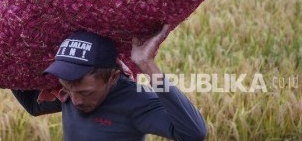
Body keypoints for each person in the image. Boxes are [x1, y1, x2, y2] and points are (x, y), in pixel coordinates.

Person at [12, 25, 207, 140]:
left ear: (113, 77)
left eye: (86, 92)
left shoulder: (135, 101)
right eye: (68, 89)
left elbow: (193, 133)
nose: (75, 100)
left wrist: (147, 66)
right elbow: (33, 106)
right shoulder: (70, 92)